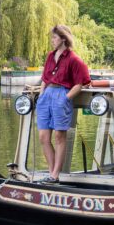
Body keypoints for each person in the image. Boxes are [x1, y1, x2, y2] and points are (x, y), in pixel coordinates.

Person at [36, 24, 90, 182]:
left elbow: (81, 83)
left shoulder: (75, 60)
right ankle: (52, 173)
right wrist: (41, 95)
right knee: (43, 137)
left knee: (59, 136)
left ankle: (54, 175)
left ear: (63, 38)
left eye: (54, 37)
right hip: (46, 95)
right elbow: (45, 78)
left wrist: (66, 98)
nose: (52, 40)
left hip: (62, 94)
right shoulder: (50, 56)